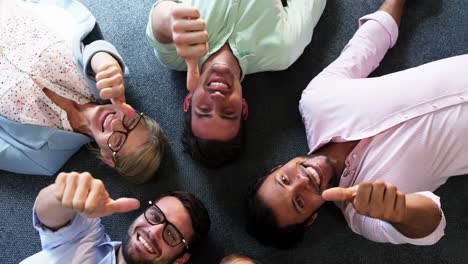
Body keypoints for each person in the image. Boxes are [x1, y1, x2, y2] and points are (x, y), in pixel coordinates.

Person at [246, 0, 468, 248]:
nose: (302, 181)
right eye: (299, 202)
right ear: (311, 219)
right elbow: (433, 226)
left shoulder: (317, 101)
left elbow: (369, 42)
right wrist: (399, 211)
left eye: (284, 180)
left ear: (278, 167)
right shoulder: (364, 216)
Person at [0, 0, 167, 183]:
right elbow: (95, 49)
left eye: (118, 141)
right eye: (130, 122)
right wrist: (105, 64)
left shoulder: (43, 159)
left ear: (107, 157)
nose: (116, 124)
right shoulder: (108, 82)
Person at [147, 0, 327, 167]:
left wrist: (171, 21)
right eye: (228, 112)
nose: (217, 99)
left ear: (189, 101)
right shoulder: (283, 51)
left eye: (204, 109)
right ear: (243, 108)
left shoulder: (177, 55)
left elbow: (158, 20)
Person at [21, 171, 211, 263]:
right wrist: (62, 195)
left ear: (180, 260)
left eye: (171, 235)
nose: (154, 231)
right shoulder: (87, 236)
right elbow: (47, 213)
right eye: (155, 216)